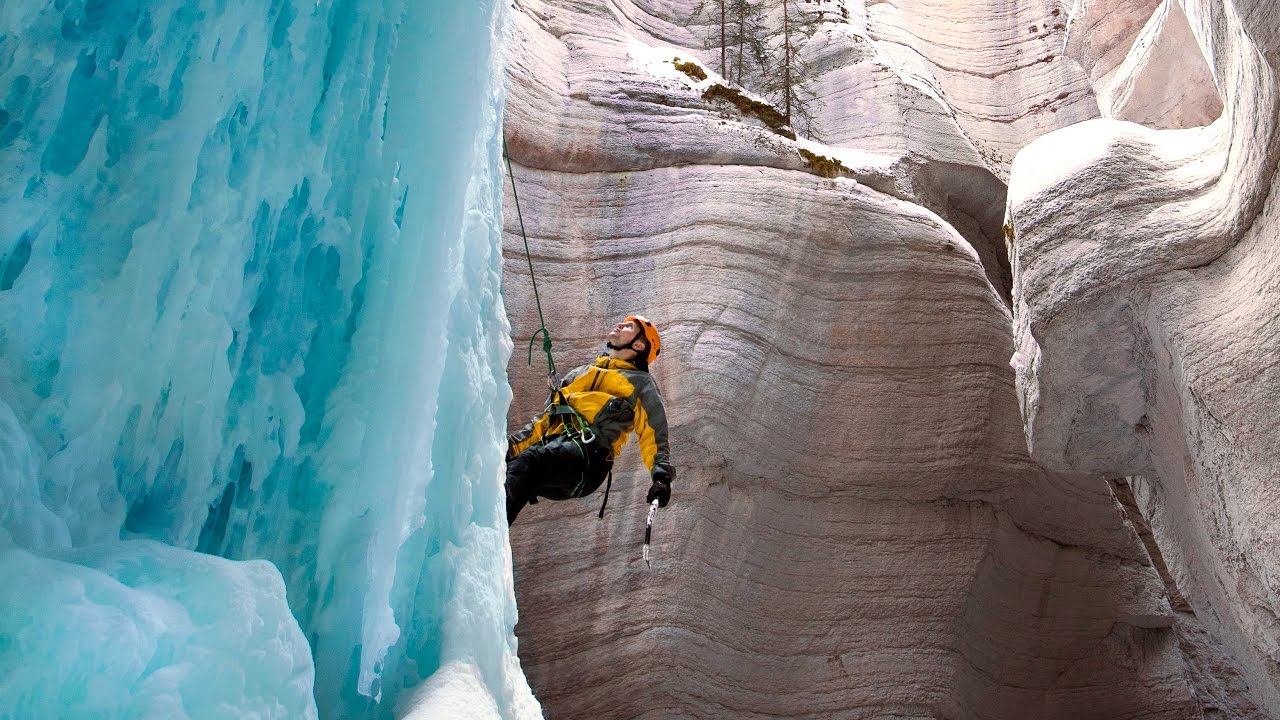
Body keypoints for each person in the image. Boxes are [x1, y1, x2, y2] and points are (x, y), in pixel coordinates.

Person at [506, 315, 674, 525]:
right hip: (558, 450)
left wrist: (661, 476)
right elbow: (545, 420)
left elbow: (653, 431)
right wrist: (510, 448)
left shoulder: (641, 383)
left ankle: (488, 535)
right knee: (512, 471)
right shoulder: (581, 373)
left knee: (529, 463)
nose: (621, 324)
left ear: (639, 345)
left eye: (629, 326)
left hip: (588, 458)